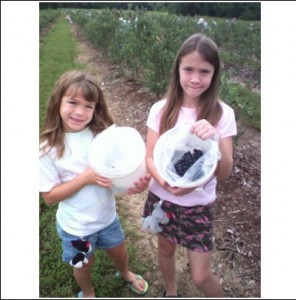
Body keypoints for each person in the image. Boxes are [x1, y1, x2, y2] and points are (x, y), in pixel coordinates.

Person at [39, 70, 150, 298]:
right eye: (72, 102)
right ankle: (88, 292)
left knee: (119, 252)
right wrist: (85, 178)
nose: (80, 112)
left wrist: (132, 185)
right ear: (57, 101)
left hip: (107, 218)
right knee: (83, 264)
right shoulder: (47, 148)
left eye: (89, 106)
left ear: (96, 108)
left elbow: (115, 176)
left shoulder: (101, 136)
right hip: (77, 228)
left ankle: (126, 273)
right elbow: (49, 196)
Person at [143, 33, 237, 297]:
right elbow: (151, 157)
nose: (195, 78)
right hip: (163, 199)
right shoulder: (161, 110)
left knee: (201, 276)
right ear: (178, 70)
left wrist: (216, 140)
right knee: (165, 250)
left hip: (199, 205)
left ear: (214, 74)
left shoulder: (222, 114)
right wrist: (166, 184)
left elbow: (226, 172)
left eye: (204, 71)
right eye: (188, 69)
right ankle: (171, 292)